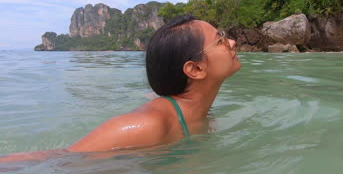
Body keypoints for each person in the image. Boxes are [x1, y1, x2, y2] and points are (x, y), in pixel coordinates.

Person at [0, 15, 240, 162]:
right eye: (220, 40)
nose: (232, 42)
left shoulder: (202, 112)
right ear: (195, 69)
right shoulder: (148, 125)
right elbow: (58, 160)